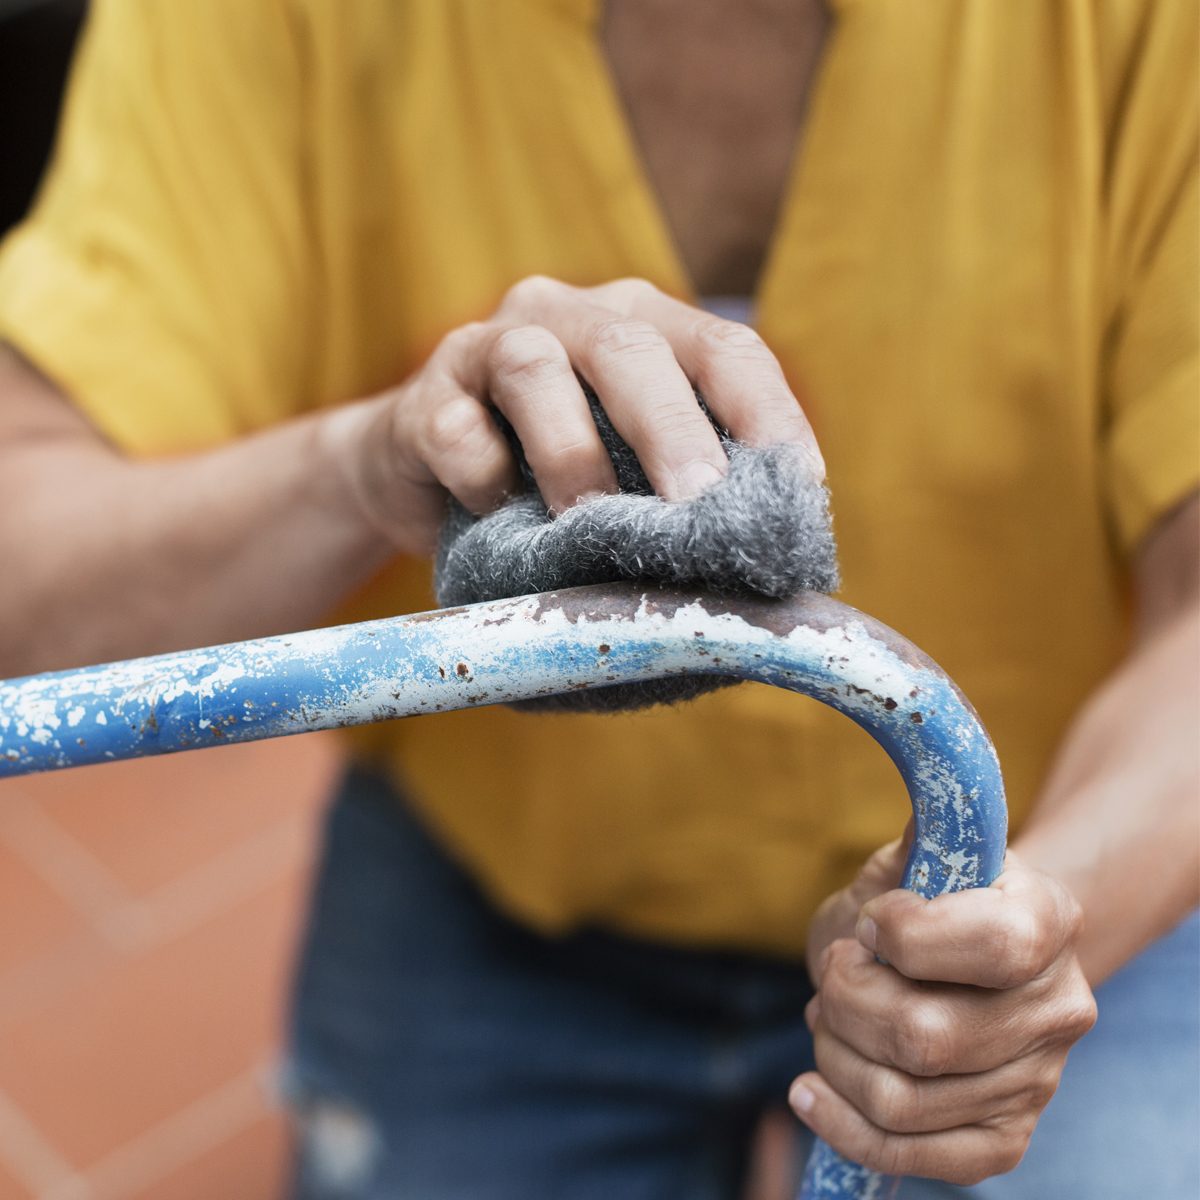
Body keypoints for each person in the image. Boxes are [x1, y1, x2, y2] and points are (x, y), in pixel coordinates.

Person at [0, 1, 1195, 1196]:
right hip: (502, 887)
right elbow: (27, 569)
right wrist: (364, 465)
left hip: (1042, 867)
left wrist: (1034, 931)